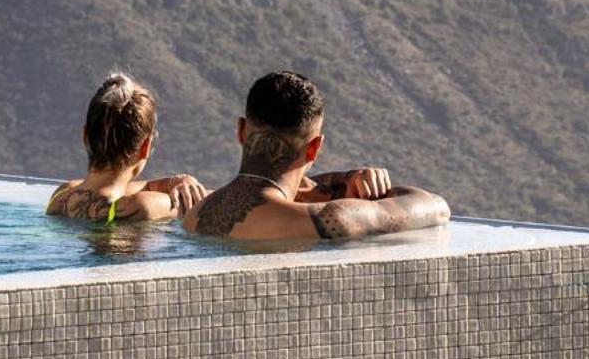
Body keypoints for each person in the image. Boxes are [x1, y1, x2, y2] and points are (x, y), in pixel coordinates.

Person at [183, 68, 449, 245]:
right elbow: (436, 207)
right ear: (314, 148)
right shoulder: (328, 221)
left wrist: (341, 180)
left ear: (241, 130)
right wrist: (350, 185)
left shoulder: (196, 214)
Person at [46, 71, 208, 223]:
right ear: (146, 146)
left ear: (85, 137)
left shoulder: (62, 195)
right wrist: (193, 190)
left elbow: (130, 187)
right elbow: (214, 201)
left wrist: (178, 181)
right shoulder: (142, 206)